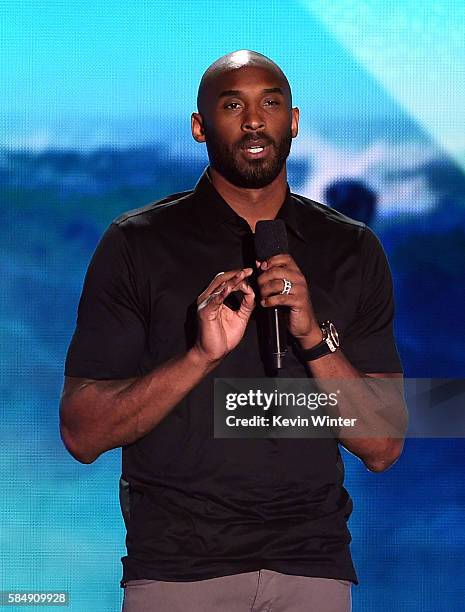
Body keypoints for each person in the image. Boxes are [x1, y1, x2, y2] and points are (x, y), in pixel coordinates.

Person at [60, 50, 407, 612]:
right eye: (231, 105)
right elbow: (81, 433)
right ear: (199, 127)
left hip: (311, 566)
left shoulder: (352, 249)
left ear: (292, 121)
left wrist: (314, 337)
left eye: (269, 103)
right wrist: (199, 357)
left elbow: (384, 444)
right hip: (177, 570)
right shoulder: (137, 244)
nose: (253, 120)